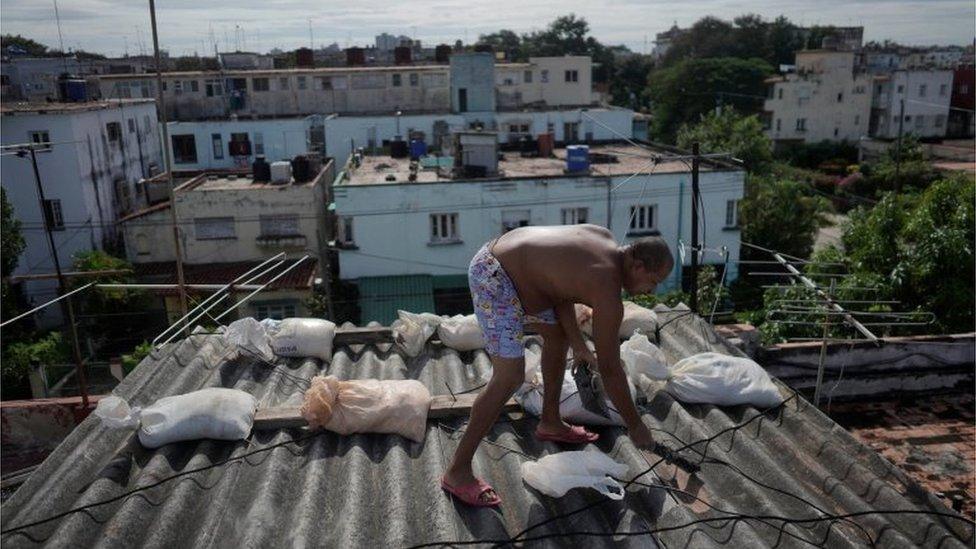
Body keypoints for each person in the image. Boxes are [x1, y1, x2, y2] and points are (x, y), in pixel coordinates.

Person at [440, 224, 675, 506]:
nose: (652, 290)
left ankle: (550, 420)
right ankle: (458, 470)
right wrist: (635, 425)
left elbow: (560, 290)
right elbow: (610, 368)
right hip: (494, 277)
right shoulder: (607, 287)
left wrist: (578, 344)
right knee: (509, 377)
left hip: (506, 260)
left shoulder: (603, 239)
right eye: (655, 280)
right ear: (637, 265)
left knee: (558, 334)